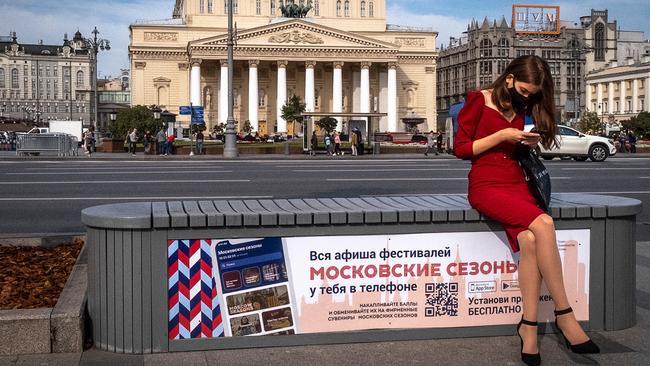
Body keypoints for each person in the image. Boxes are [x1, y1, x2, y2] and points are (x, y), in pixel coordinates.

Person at [454, 55, 599, 366]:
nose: (527, 96)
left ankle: (529, 328)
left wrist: (525, 142)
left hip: (517, 183)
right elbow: (462, 148)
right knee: (544, 223)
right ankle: (565, 315)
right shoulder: (478, 100)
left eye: (532, 93)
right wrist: (502, 135)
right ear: (509, 78)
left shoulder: (523, 105)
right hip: (486, 185)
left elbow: (518, 147)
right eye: (523, 89)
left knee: (531, 242)